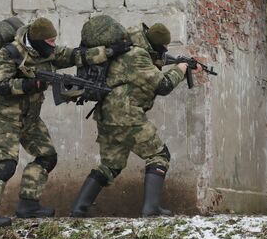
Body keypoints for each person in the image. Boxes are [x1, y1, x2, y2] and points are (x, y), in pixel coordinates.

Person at [0, 17, 109, 228]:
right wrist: (33, 84)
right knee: (6, 164)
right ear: (37, 41)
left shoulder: (49, 51)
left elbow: (74, 56)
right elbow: (0, 85)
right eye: (50, 41)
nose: (54, 45)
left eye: (55, 41)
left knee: (47, 157)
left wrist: (108, 51)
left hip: (30, 117)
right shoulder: (10, 53)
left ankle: (28, 204)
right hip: (6, 116)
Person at [70, 22, 199, 217]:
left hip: (108, 115)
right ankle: (151, 208)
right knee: (159, 155)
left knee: (110, 166)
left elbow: (140, 73)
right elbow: (162, 85)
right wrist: (180, 69)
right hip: (125, 115)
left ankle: (79, 209)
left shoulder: (128, 49)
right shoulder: (138, 55)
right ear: (157, 46)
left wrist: (168, 63)